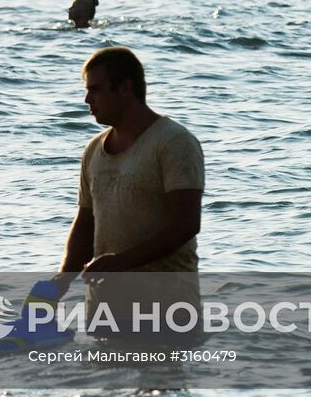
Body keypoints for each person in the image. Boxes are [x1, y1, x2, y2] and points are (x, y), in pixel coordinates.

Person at [58, 47, 203, 279]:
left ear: (125, 88)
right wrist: (57, 286)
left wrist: (121, 262)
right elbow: (85, 226)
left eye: (95, 90)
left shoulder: (174, 141)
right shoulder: (94, 150)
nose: (87, 100)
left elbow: (186, 224)